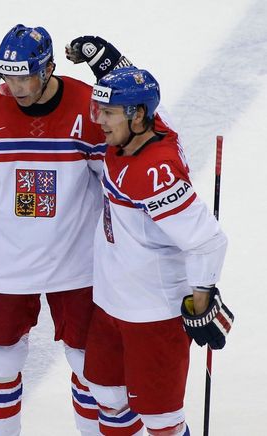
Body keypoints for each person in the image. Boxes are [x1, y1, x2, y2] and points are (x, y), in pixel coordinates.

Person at [0, 25, 136, 435]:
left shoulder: (89, 108)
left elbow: (127, 168)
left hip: (78, 261)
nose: (14, 87)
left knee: (91, 366)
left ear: (49, 68)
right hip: (6, 261)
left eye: (24, 76)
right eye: (6, 75)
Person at [81, 67, 233, 436]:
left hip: (152, 314)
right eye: (99, 110)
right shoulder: (136, 134)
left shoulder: (155, 170)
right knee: (107, 395)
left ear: (136, 116)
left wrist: (201, 301)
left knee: (162, 422)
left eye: (109, 113)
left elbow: (208, 240)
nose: (99, 120)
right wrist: (106, 60)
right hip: (110, 303)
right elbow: (141, 90)